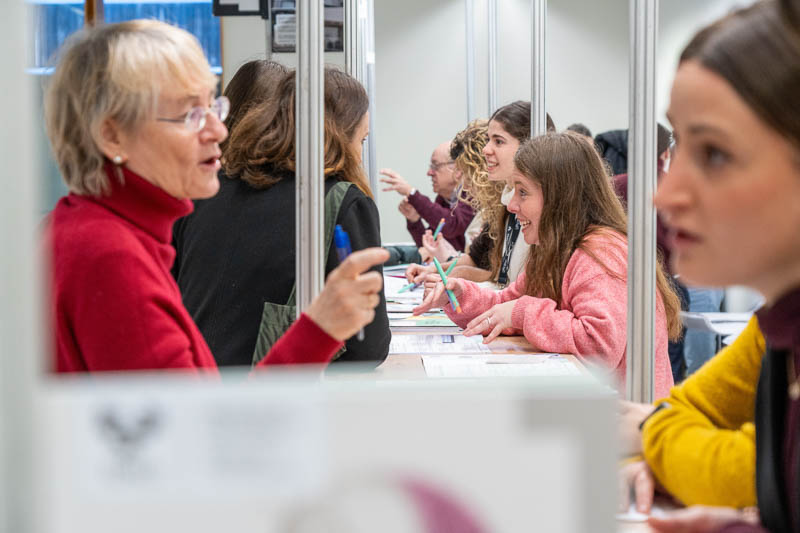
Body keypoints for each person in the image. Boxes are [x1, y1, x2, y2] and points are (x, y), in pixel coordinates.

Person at [45, 20, 387, 373]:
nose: (218, 130)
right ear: (112, 136)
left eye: (213, 106)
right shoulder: (111, 258)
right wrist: (318, 331)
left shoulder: (97, 231)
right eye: (189, 114)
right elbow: (194, 412)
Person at [622, 1, 800, 530]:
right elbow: (687, 412)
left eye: (715, 154)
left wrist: (650, 433)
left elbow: (747, 466)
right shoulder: (779, 325)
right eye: (678, 146)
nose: (664, 195)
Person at [414, 132, 682, 398]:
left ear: (560, 198)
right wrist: (460, 295)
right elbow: (507, 304)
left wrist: (523, 313)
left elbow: (599, 345)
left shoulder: (601, 252)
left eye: (523, 192)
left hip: (629, 418)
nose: (512, 206)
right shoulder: (555, 249)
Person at [172, 66, 391, 368]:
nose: (361, 155)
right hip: (271, 386)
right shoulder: (342, 202)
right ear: (342, 136)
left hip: (187, 379)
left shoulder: (206, 188)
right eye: (361, 140)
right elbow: (367, 348)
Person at [406, 102, 555, 288]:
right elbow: (500, 277)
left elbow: (513, 285)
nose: (486, 149)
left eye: (498, 141)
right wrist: (436, 272)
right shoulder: (505, 207)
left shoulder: (542, 212)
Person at [415, 120, 504, 283]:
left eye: (465, 172)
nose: (459, 178)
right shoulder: (495, 212)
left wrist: (453, 274)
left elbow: (503, 278)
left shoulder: (509, 209)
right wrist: (433, 270)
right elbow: (474, 259)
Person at [380, 141, 475, 253]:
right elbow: (430, 248)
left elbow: (452, 225)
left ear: (458, 169)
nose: (429, 172)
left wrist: (412, 193)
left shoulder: (473, 195)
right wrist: (414, 220)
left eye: (436, 166)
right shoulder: (443, 199)